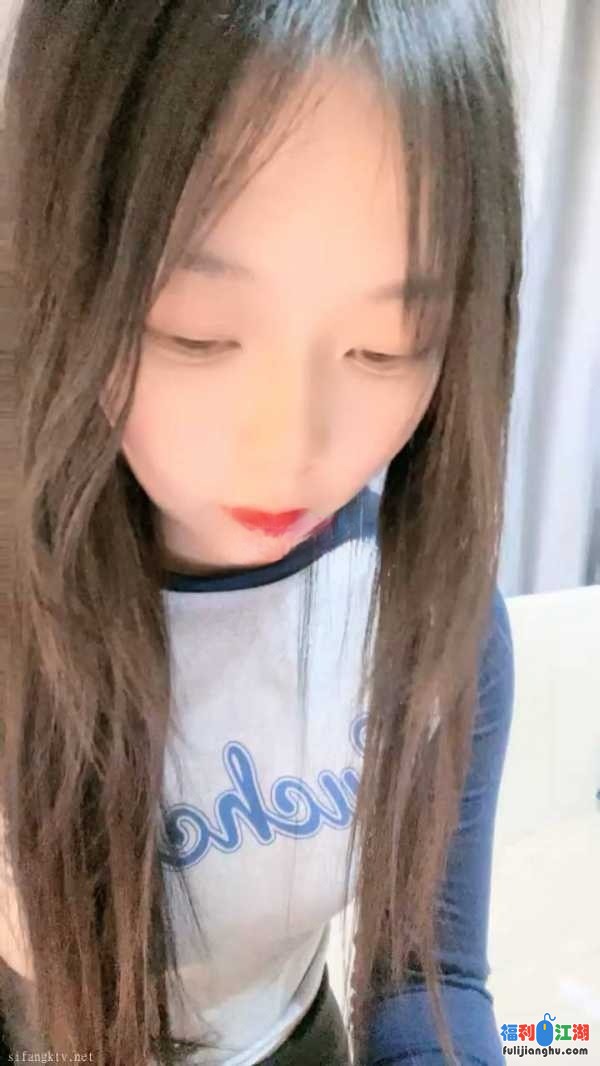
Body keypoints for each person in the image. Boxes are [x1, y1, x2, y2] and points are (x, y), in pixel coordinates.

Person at [0, 1, 522, 1063]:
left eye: (387, 346)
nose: (290, 453)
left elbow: (425, 978)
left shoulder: (427, 621)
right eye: (195, 334)